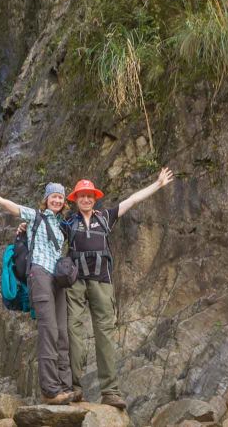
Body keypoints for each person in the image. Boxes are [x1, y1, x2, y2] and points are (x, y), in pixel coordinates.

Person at [0, 173, 81, 405]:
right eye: (53, 196)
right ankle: (50, 391)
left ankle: (66, 386)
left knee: (62, 331)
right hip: (40, 274)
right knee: (49, 330)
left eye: (60, 197)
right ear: (46, 199)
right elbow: (4, 203)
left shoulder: (63, 225)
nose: (57, 200)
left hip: (58, 279)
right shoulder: (34, 216)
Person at [62, 167, 174, 409]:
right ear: (75, 199)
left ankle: (110, 391)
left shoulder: (105, 217)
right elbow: (46, 231)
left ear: (95, 198)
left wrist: (158, 184)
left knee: (105, 333)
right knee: (74, 331)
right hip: (76, 282)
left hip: (102, 280)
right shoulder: (67, 222)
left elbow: (132, 200)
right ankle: (74, 386)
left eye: (90, 195)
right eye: (82, 195)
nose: (86, 198)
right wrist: (22, 231)